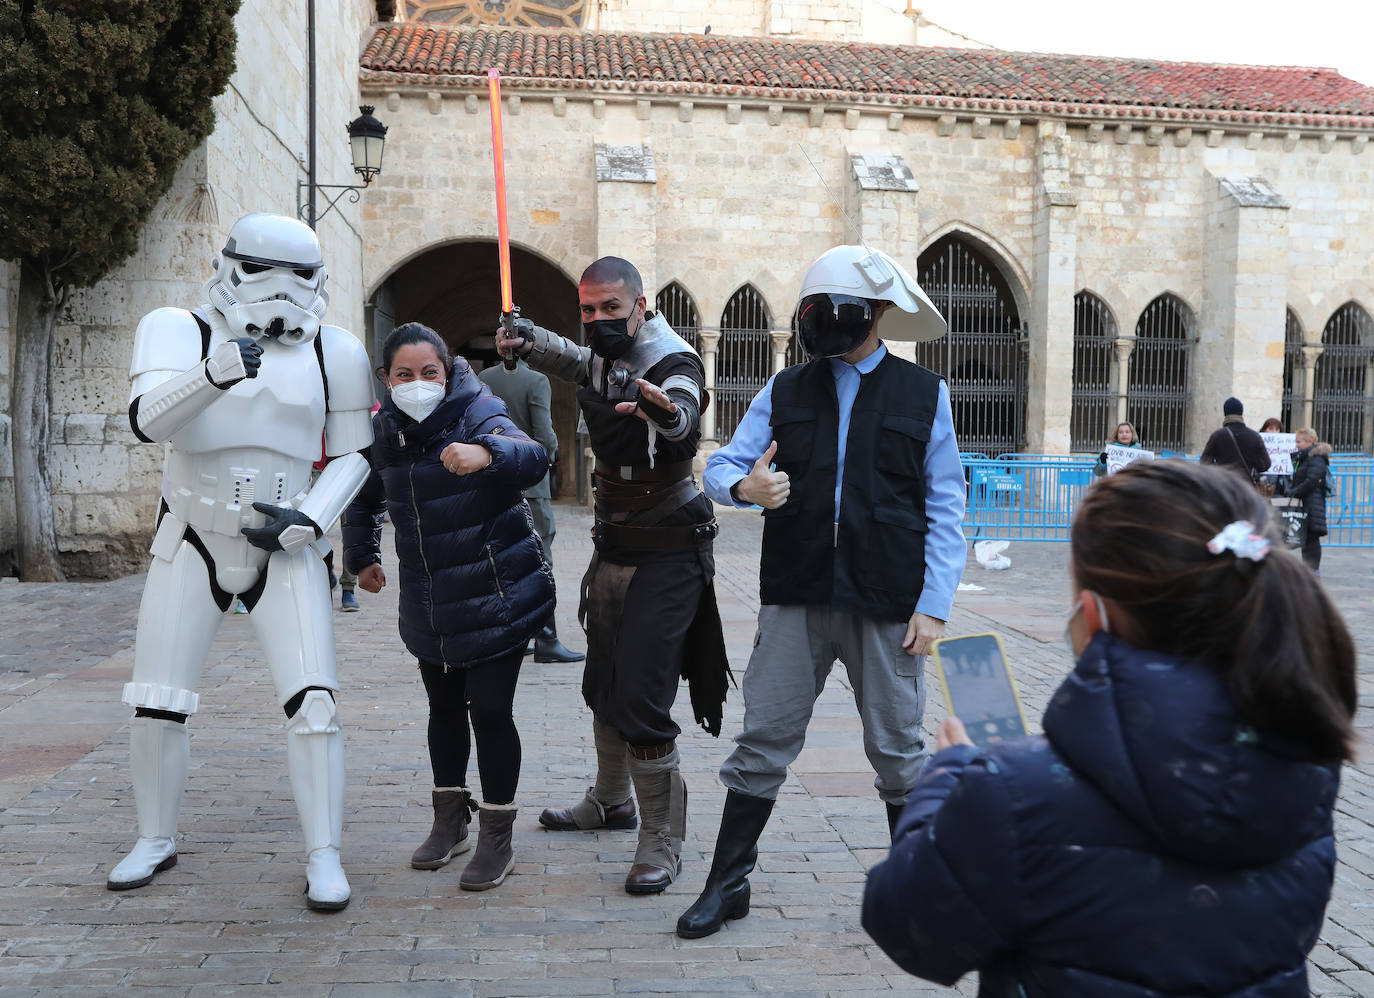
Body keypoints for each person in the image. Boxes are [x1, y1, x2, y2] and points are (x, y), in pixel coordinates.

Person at [862, 460, 1356, 996]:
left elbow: (909, 927)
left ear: (1093, 616)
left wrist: (949, 782)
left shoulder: (1014, 791)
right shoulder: (1302, 760)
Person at [676, 244, 965, 939]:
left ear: (880, 316)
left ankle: (914, 891)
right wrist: (742, 487)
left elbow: (948, 504)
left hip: (887, 600)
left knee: (898, 751)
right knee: (762, 739)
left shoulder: (925, 395)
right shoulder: (785, 390)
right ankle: (727, 883)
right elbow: (721, 468)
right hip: (796, 594)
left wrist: (934, 604)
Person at [111, 214, 375, 911]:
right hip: (191, 536)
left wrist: (314, 518)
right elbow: (145, 420)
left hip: (286, 543)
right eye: (263, 271)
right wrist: (209, 377)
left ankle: (324, 853)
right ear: (231, 266)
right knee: (158, 702)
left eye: (300, 277)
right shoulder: (178, 328)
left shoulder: (336, 350)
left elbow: (355, 453)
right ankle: (153, 836)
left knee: (314, 702)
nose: (281, 292)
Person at [494, 256, 729, 896]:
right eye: (588, 310)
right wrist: (529, 338)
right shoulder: (604, 351)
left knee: (644, 699)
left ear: (641, 305)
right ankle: (611, 802)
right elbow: (577, 361)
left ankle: (661, 840)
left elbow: (682, 417)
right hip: (614, 540)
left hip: (669, 546)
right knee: (603, 680)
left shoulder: (673, 359)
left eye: (610, 309)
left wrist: (663, 412)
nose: (598, 320)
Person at [342, 323, 554, 890]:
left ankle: (498, 834)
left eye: (428, 373)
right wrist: (362, 556)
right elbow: (361, 495)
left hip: (496, 594)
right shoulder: (384, 429)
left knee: (488, 712)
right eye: (404, 375)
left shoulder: (477, 409)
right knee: (442, 711)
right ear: (386, 380)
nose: (418, 385)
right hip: (430, 601)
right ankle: (449, 819)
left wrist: (487, 453)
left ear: (447, 369)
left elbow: (534, 458)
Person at [479, 357, 583, 662]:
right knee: (540, 560)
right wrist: (548, 459)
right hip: (531, 484)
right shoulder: (537, 380)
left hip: (494, 479)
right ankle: (546, 639)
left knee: (501, 559)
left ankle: (512, 636)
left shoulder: (483, 378)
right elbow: (544, 433)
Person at [1281, 426, 1332, 573]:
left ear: (1310, 441)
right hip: (1307, 504)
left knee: (1312, 539)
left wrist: (1293, 492)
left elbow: (1311, 481)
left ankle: (1313, 571)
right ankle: (1309, 570)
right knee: (1307, 539)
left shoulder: (1316, 458)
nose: (1296, 445)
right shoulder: (1305, 457)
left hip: (1312, 504)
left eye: (1299, 442)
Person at [1200, 396, 1270, 480]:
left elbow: (1204, 462)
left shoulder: (1217, 435)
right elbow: (1265, 465)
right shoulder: (1254, 436)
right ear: (1241, 412)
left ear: (1225, 413)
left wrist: (1219, 470)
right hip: (1246, 487)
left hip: (1224, 486)